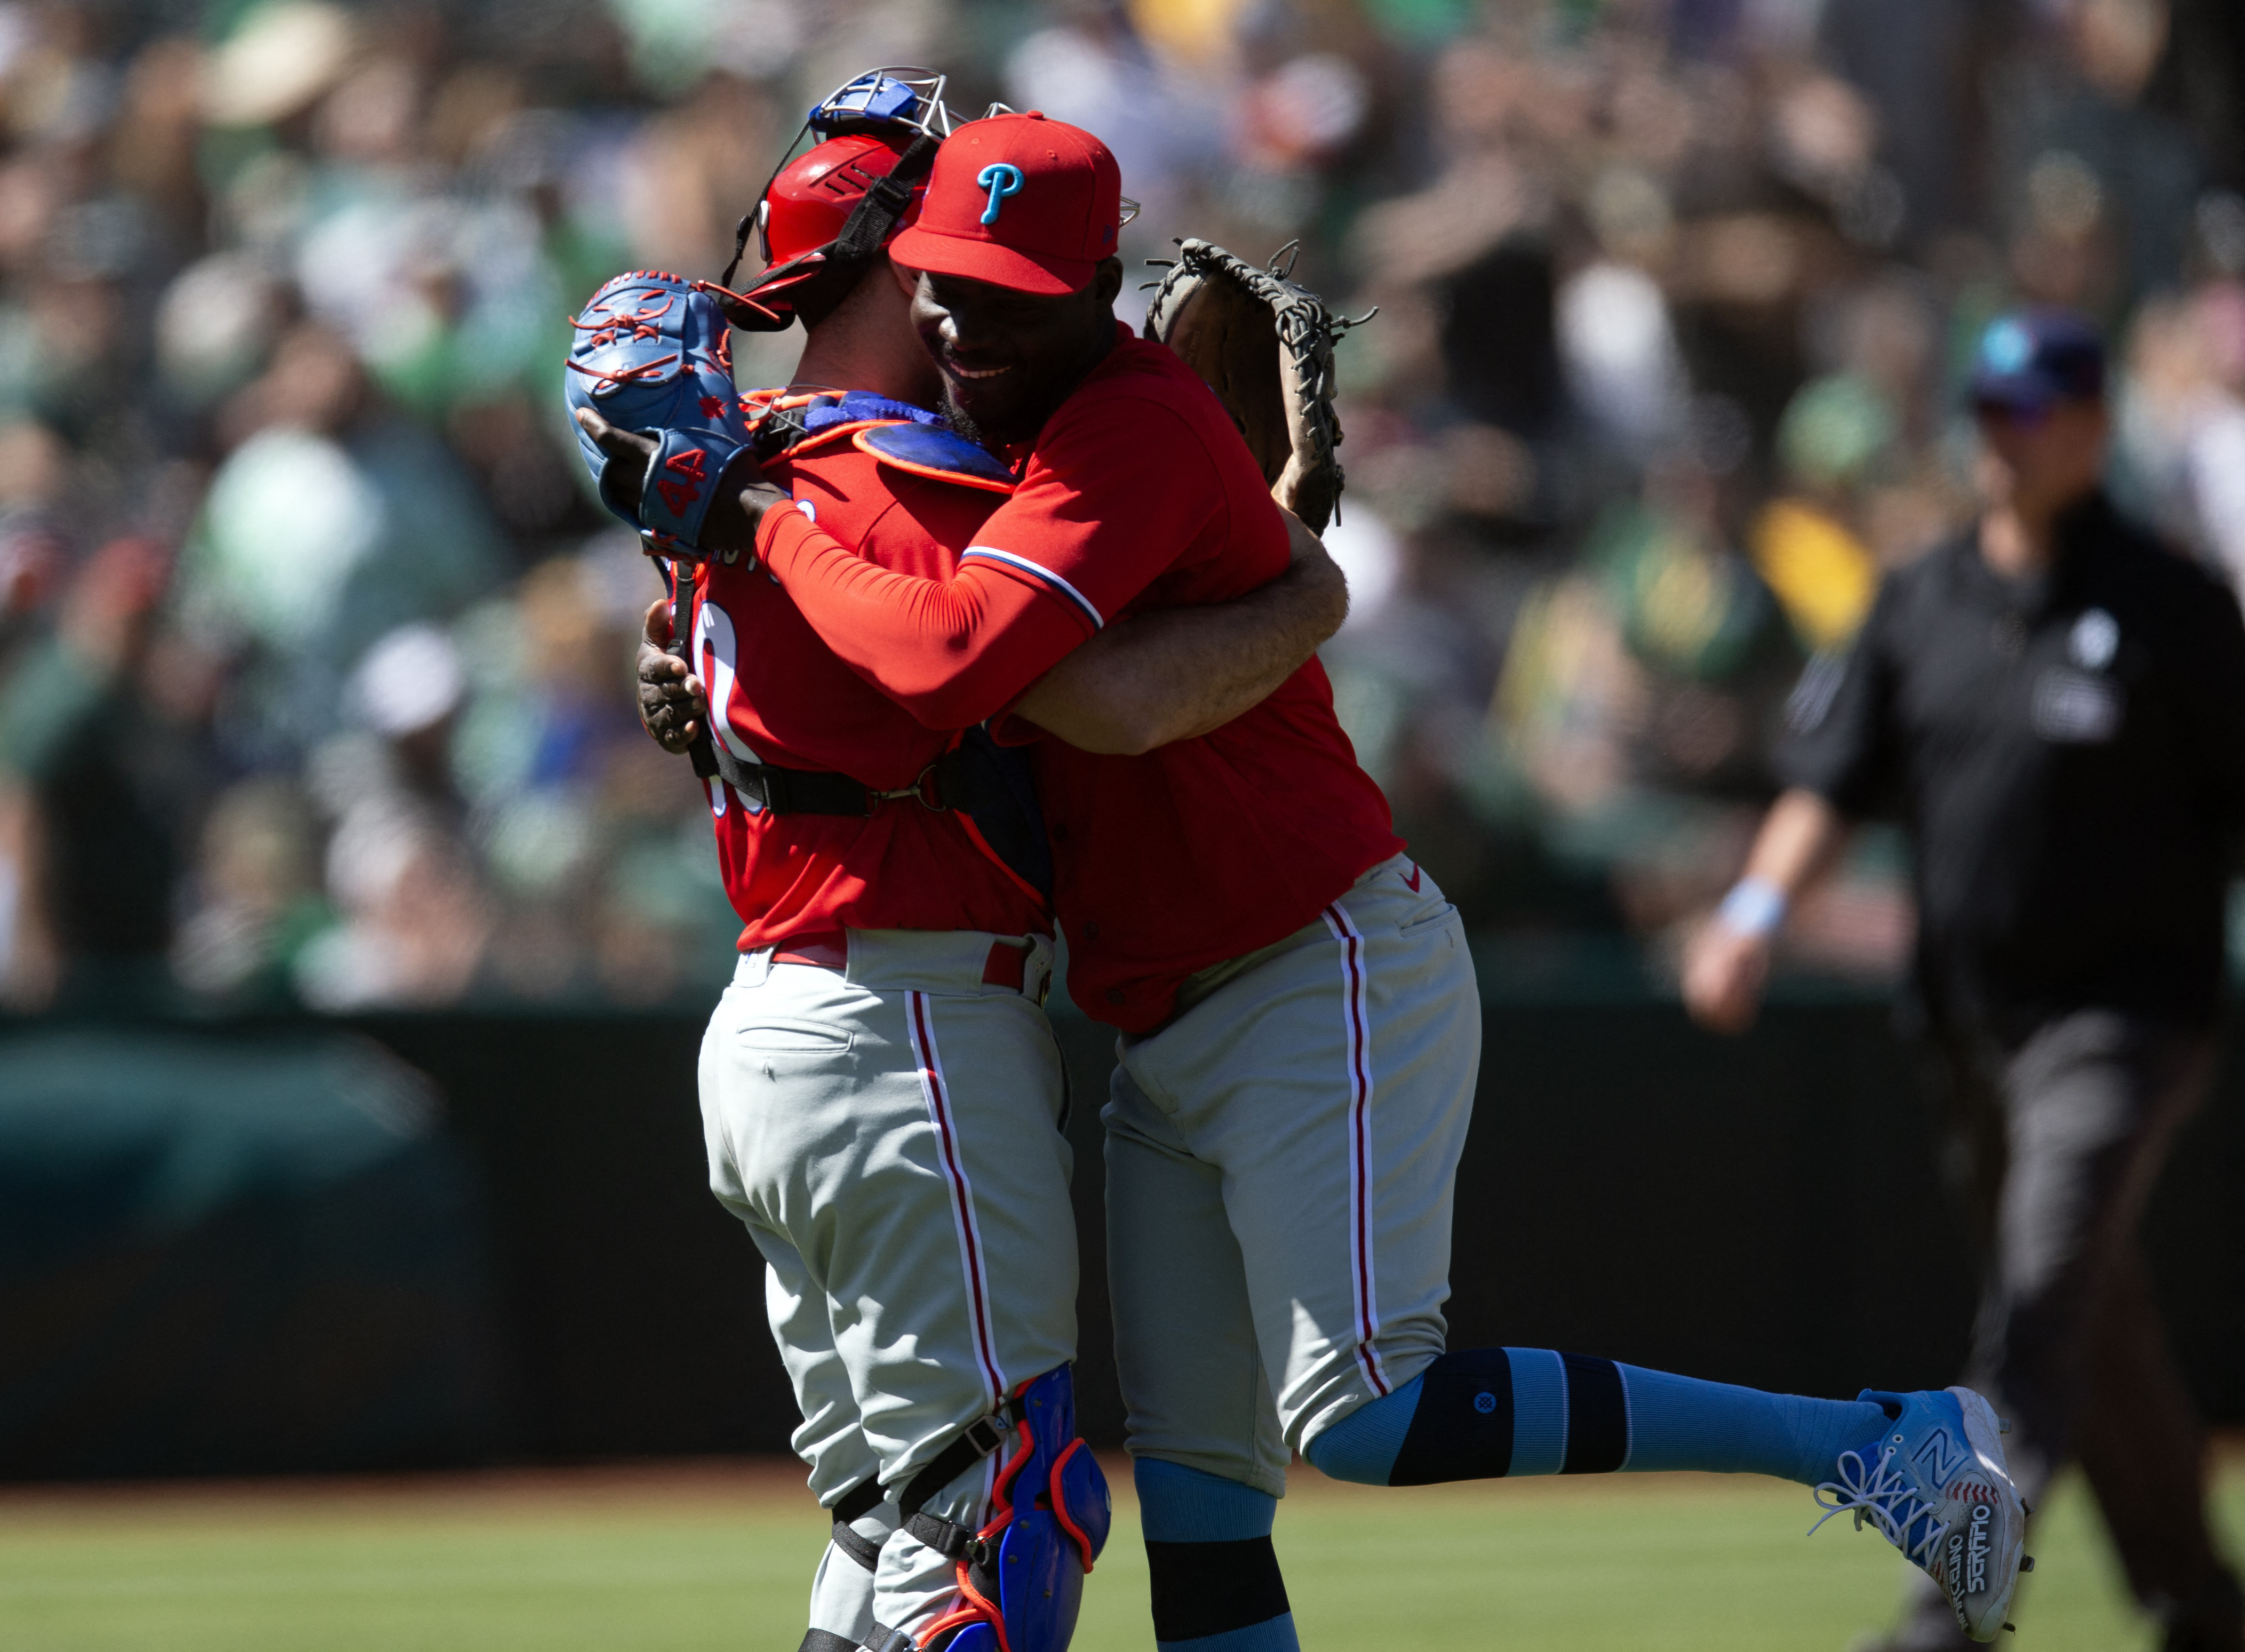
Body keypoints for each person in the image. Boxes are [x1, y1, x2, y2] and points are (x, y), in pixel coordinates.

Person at [608, 110, 2029, 1651]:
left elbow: (1041, 685)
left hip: (1312, 954)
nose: (965, 317)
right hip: (1162, 1009)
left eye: (1009, 291)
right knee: (1206, 1517)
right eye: (947, 279)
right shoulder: (981, 437)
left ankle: (1876, 1443)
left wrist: (746, 523)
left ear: (1100, 288)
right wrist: (705, 628)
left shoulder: (1121, 425)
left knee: (1366, 1410)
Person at [577, 76, 1349, 1652]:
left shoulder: (752, 458)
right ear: (878, 260)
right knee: (1008, 1525)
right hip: (906, 1026)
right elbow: (1045, 647)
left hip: (780, 1040)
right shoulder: (903, 485)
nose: (960, 275)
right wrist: (1280, 552)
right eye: (931, 237)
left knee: (882, 1553)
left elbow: (717, 666)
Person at [1684, 309, 2245, 1652]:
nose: (2005, 435)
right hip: (1968, 1024)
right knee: (2087, 1312)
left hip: (2124, 1017)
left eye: (2035, 410)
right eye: (1989, 409)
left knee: (2042, 1287)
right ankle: (2201, 1607)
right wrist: (1754, 912)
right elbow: (1830, 782)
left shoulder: (2169, 604)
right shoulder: (1922, 596)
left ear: (2094, 429)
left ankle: (1948, 1606)